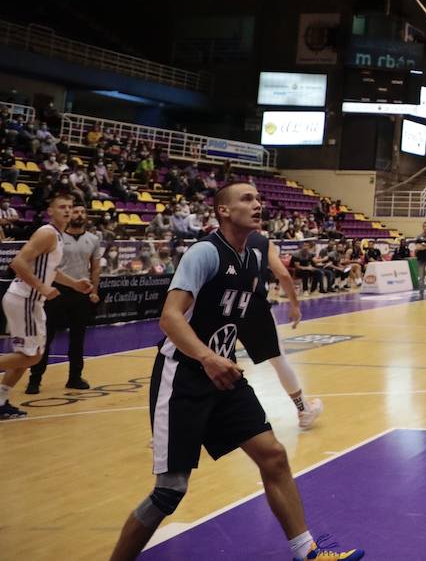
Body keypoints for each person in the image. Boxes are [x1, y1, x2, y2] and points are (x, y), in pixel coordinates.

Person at [107, 182, 360, 561]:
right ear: (223, 211)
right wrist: (208, 357)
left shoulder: (254, 256)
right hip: (184, 376)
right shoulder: (205, 253)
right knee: (170, 490)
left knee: (273, 455)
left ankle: (306, 551)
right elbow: (169, 317)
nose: (257, 204)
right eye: (247, 199)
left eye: (258, 198)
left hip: (224, 377)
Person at [1, 192, 92, 419]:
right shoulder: (47, 233)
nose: (68, 210)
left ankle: (1, 400)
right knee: (31, 357)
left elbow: (52, 271)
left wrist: (74, 284)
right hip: (25, 298)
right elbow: (18, 262)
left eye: (70, 207)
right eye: (62, 207)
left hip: (31, 301)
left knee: (30, 354)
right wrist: (42, 288)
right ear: (50, 211)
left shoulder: (58, 236)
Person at [237, 232, 324, 430]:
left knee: (208, 361)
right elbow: (283, 274)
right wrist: (295, 305)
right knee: (278, 359)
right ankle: (304, 410)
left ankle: (174, 425)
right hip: (253, 307)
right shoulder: (261, 241)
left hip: (221, 305)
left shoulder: (215, 239)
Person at [27, 200, 103, 393]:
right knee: (46, 335)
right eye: (74, 211)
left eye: (81, 212)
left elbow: (95, 268)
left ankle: (75, 377)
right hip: (57, 290)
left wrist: (94, 290)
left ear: (85, 216)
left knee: (78, 337)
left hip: (81, 291)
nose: (77, 214)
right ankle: (35, 379)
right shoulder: (56, 237)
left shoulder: (94, 239)